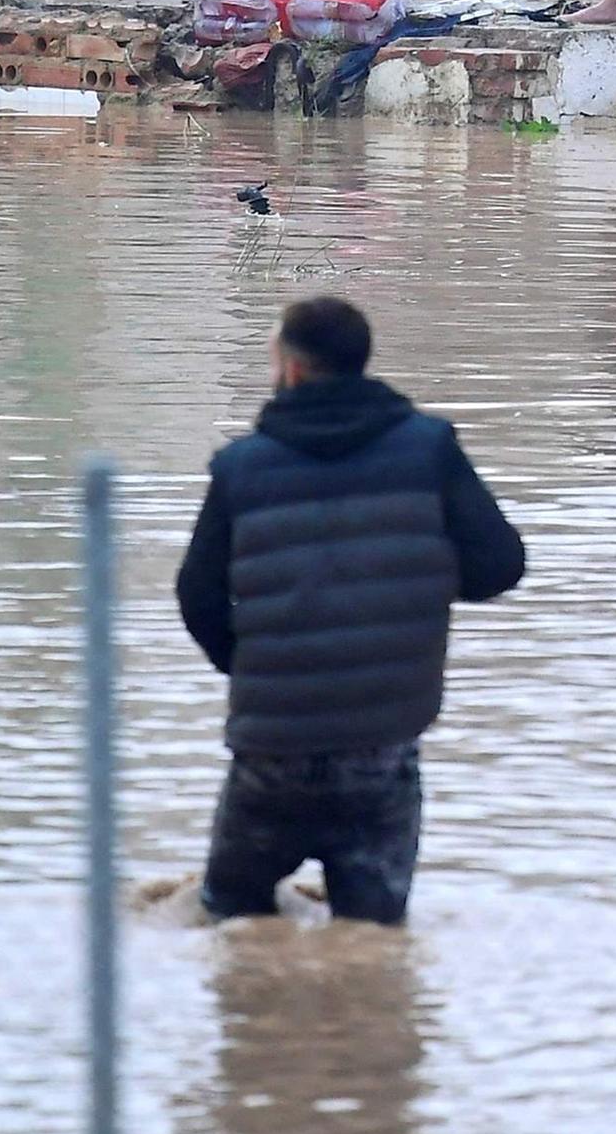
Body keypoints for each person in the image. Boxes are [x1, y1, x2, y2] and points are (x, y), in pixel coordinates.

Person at [176, 295, 525, 923]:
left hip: (270, 749)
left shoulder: (240, 468)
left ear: (290, 367)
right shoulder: (429, 450)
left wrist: (258, 668)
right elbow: (500, 565)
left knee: (230, 926)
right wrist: (417, 586)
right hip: (382, 750)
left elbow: (196, 597)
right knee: (375, 939)